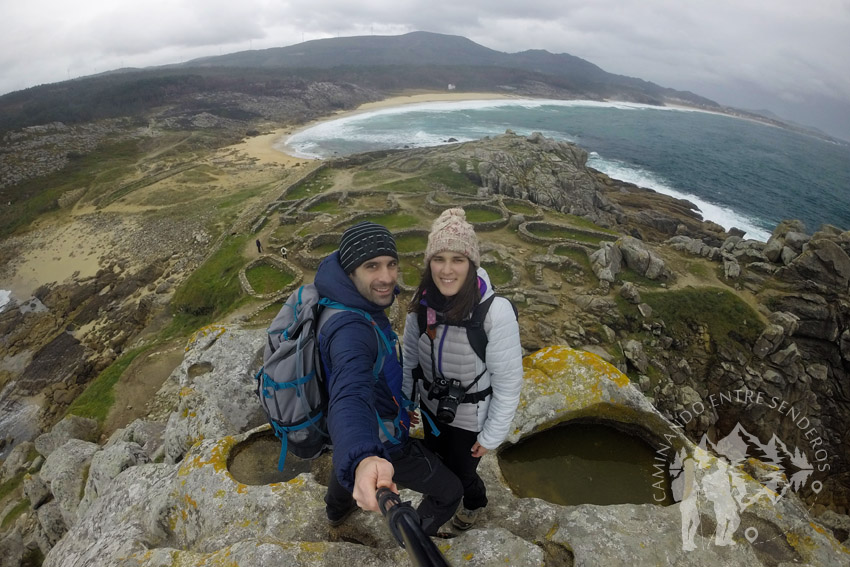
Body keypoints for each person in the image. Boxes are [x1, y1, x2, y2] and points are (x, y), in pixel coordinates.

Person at [314, 221, 463, 535]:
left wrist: (355, 458)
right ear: (350, 271)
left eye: (391, 264)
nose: (386, 277)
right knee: (450, 492)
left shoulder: (341, 300)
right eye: (372, 266)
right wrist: (366, 456)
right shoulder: (351, 331)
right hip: (384, 439)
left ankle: (335, 513)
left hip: (357, 428)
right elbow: (350, 392)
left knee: (349, 465)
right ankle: (411, 538)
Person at [403, 208, 523, 531]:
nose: (446, 270)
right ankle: (450, 498)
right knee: (436, 462)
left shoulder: (494, 314)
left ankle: (473, 503)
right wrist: (406, 403)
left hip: (471, 419)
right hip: (432, 408)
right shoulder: (421, 305)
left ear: (472, 263)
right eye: (438, 258)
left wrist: (492, 435)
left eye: (457, 259)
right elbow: (410, 361)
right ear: (429, 263)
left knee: (463, 472)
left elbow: (509, 383)